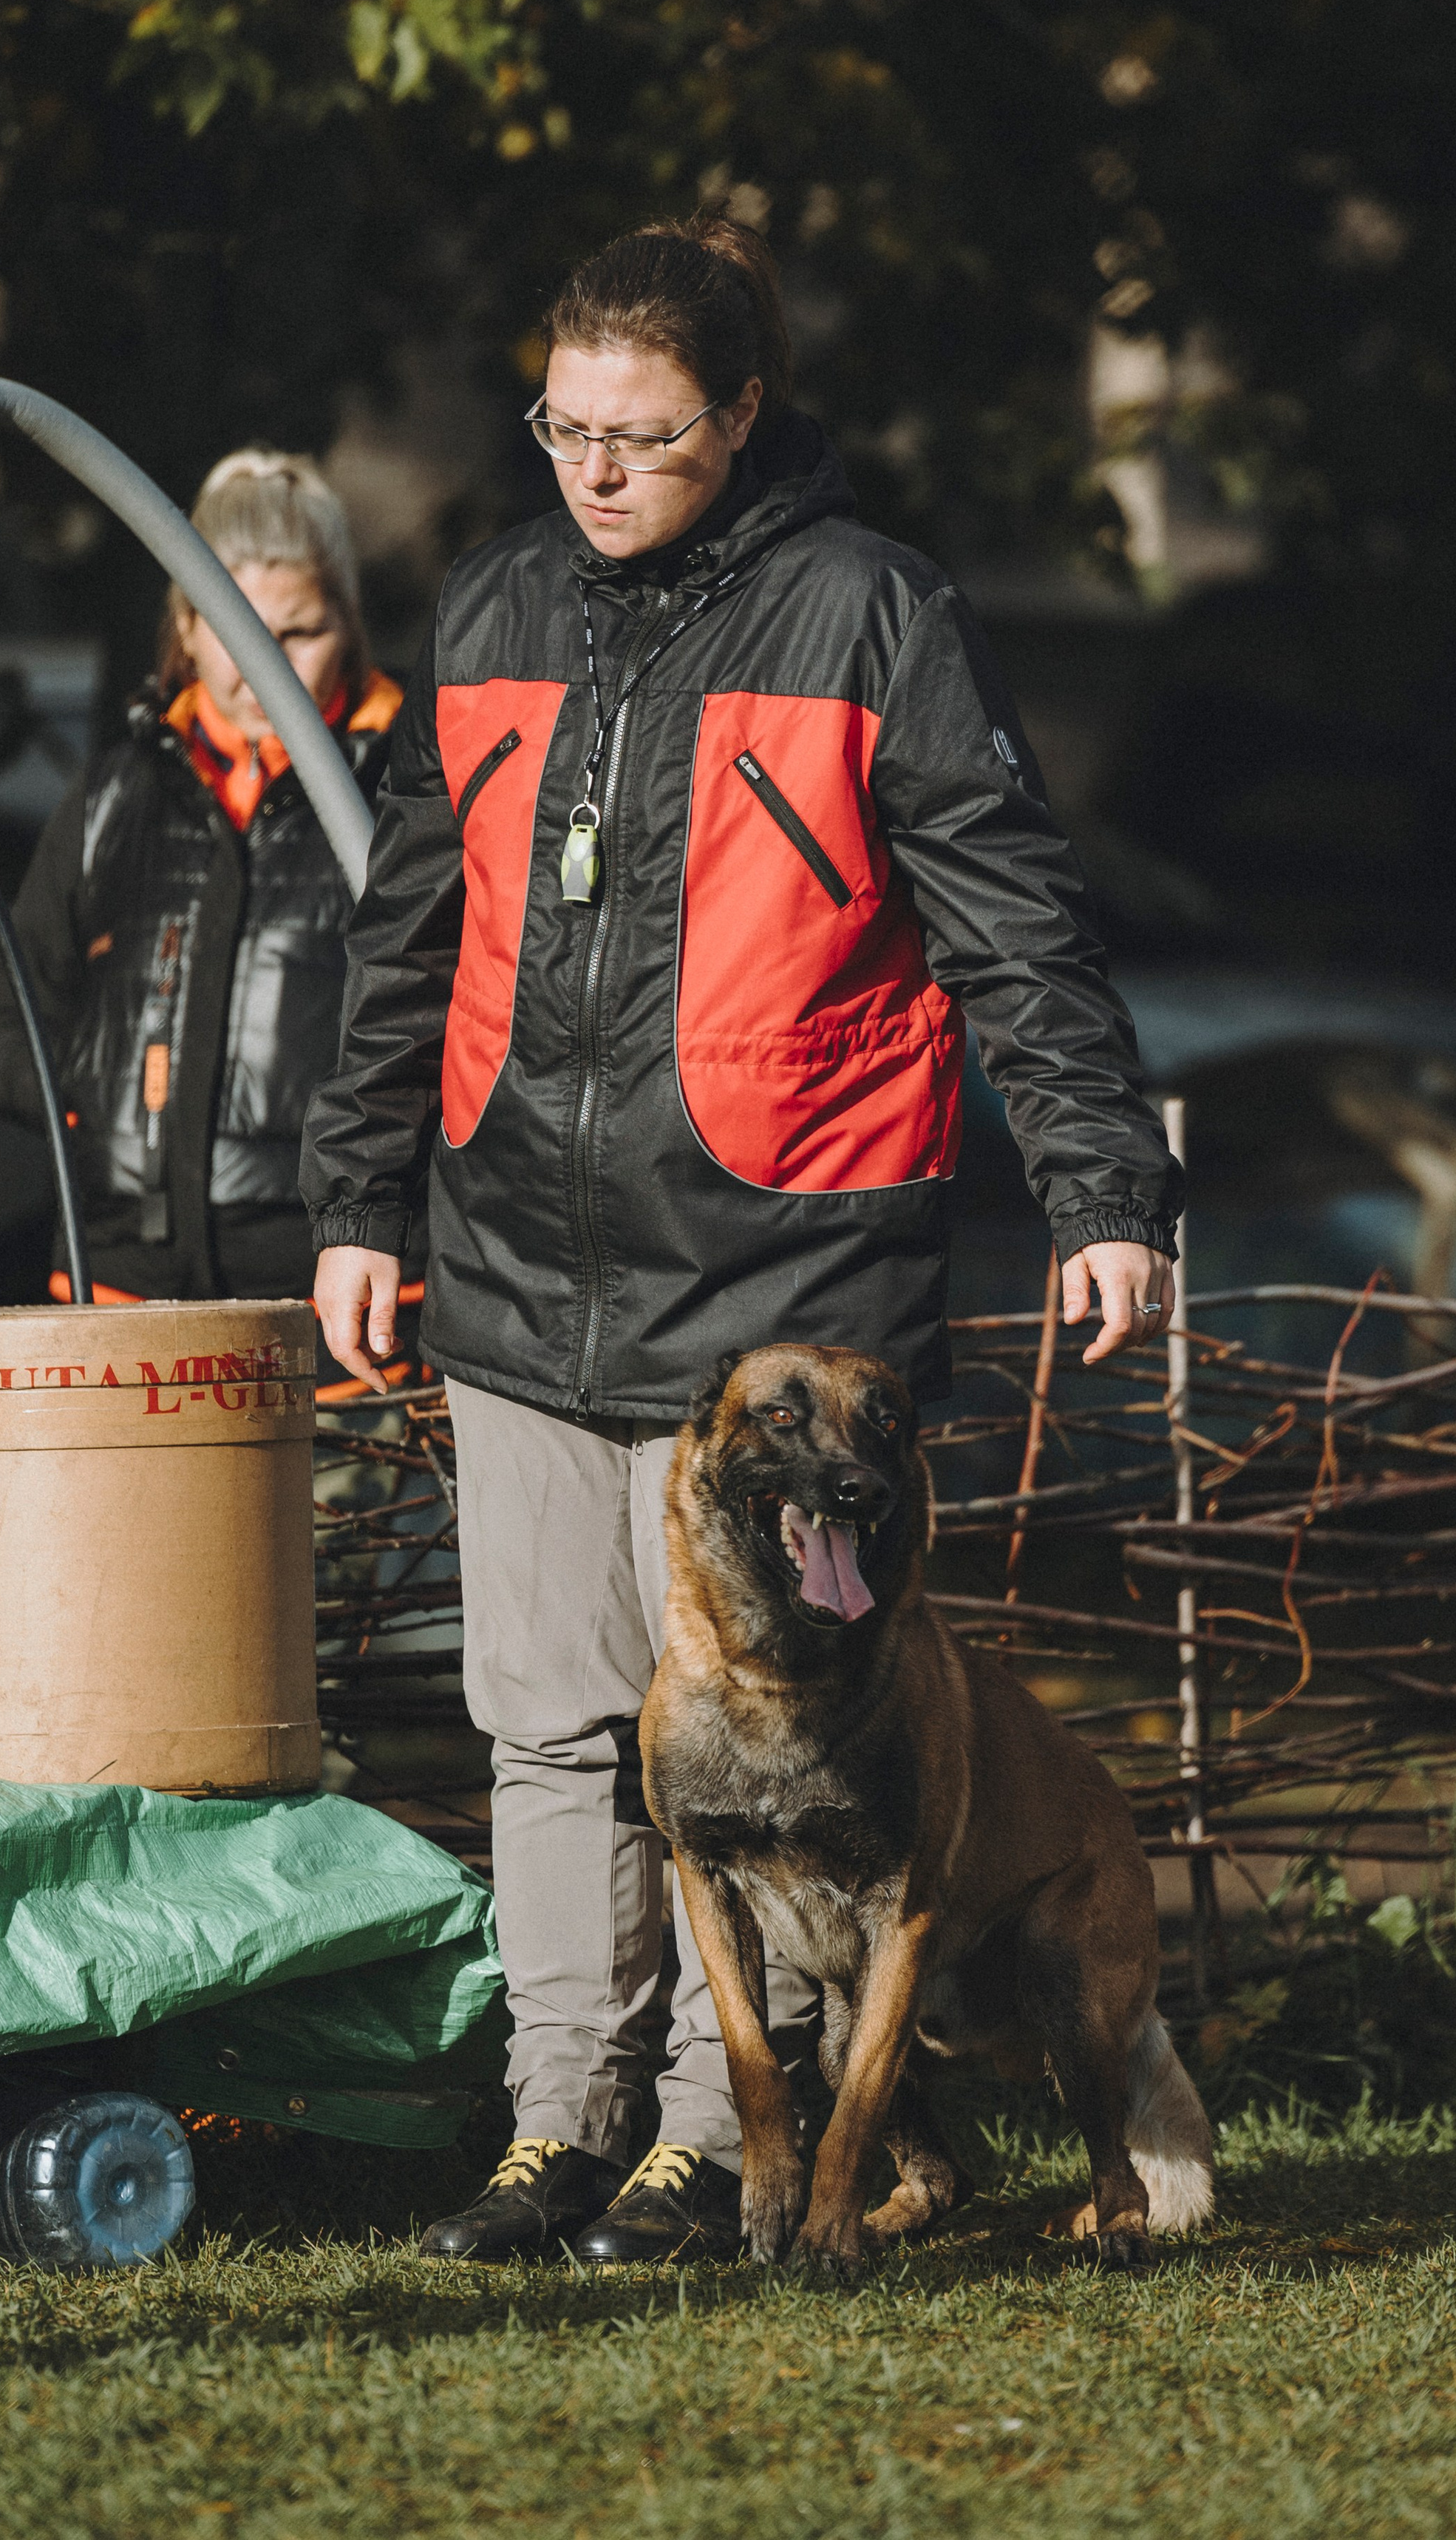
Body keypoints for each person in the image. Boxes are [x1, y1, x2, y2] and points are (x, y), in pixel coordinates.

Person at [304, 215, 1182, 2265]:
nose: (595, 473)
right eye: (565, 429)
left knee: (772, 1751)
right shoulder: (500, 597)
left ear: (747, 415)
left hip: (789, 1308)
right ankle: (558, 2124)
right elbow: (406, 935)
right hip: (520, 1269)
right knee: (545, 1720)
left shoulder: (878, 616)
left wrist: (1103, 1189)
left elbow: (1014, 928)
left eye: (647, 436)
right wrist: (359, 1199)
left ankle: (725, 2140)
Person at [0, 449, 401, 1305]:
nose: (259, 666)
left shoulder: (406, 791)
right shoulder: (115, 793)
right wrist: (95, 1096)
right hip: (121, 1287)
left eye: (296, 633)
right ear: (184, 628)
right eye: (227, 624)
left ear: (348, 626)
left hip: (332, 1303)